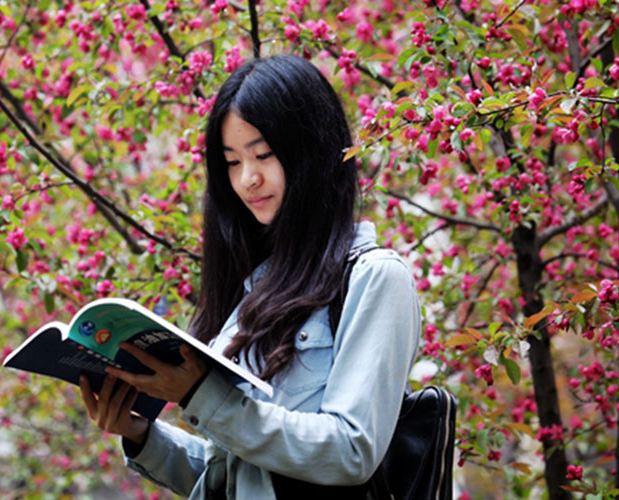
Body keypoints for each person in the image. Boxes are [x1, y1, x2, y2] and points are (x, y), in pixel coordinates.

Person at [78, 54, 421, 499]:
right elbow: (240, 476)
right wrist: (142, 434)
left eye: (262, 155)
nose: (248, 180)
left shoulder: (375, 280)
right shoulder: (256, 289)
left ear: (313, 152)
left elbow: (350, 450)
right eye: (232, 162)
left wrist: (203, 397)